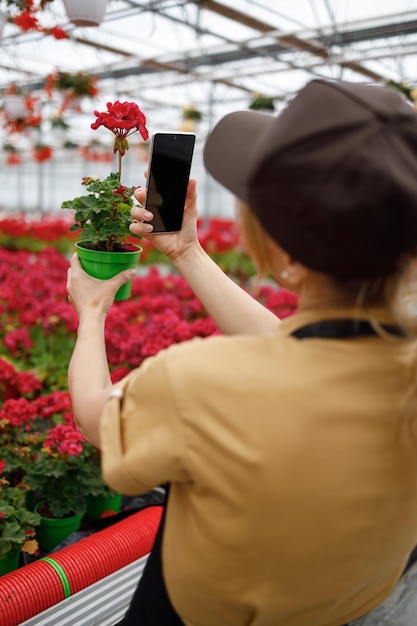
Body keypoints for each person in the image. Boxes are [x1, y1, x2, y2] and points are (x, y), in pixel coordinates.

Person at [66, 79, 417, 626]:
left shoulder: (200, 384)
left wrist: (91, 314)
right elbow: (290, 347)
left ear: (283, 253)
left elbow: (94, 417)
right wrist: (186, 251)